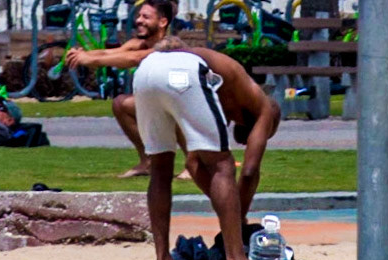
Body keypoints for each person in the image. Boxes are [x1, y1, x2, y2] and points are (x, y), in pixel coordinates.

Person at [81, 40, 282, 224]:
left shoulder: (227, 99)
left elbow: (193, 163)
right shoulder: (263, 107)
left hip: (148, 71)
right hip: (185, 68)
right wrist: (237, 215)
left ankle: (163, 258)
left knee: (161, 166)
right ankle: (235, 252)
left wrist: (228, 205)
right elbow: (249, 172)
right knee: (223, 167)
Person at [65, 0, 175, 177]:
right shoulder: (137, 43)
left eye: (146, 17)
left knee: (178, 107)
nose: (138, 20)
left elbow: (135, 58)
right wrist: (83, 54)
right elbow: (110, 53)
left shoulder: (169, 44)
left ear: (162, 22)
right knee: (121, 104)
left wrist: (90, 59)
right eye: (139, 16)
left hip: (186, 106)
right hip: (162, 103)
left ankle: (191, 165)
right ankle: (148, 161)